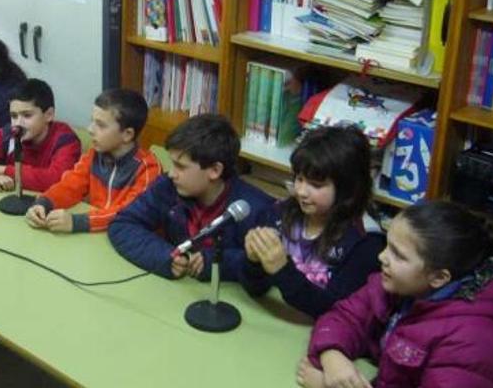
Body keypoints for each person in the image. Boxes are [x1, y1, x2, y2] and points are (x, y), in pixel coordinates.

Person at [297, 201, 493, 388]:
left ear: (439, 277)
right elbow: (345, 316)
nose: (382, 256)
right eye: (387, 245)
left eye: (398, 255)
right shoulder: (404, 284)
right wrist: (333, 356)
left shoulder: (472, 342)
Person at [108, 114, 275, 282]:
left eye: (180, 166)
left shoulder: (257, 210)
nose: (172, 173)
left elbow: (262, 276)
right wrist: (164, 256)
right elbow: (122, 225)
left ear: (214, 171)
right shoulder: (168, 187)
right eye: (172, 164)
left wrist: (218, 263)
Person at [241, 126, 385, 318]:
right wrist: (253, 262)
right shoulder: (281, 213)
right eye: (299, 179)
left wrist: (282, 270)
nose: (301, 191)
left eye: (316, 185)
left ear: (348, 189)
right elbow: (255, 288)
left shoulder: (365, 242)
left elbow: (336, 311)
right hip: (271, 319)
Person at [25, 89, 161, 233]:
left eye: (100, 125)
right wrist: (44, 203)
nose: (90, 130)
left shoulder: (148, 168)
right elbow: (71, 185)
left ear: (127, 134)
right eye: (92, 121)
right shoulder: (95, 154)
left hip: (128, 237)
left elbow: (127, 214)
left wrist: (78, 222)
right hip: (99, 234)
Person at [0, 78, 81, 192]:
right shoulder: (9, 134)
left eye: (27, 115)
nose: (18, 123)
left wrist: (4, 170)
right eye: (14, 116)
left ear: (49, 115)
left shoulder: (66, 140)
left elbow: (56, 179)